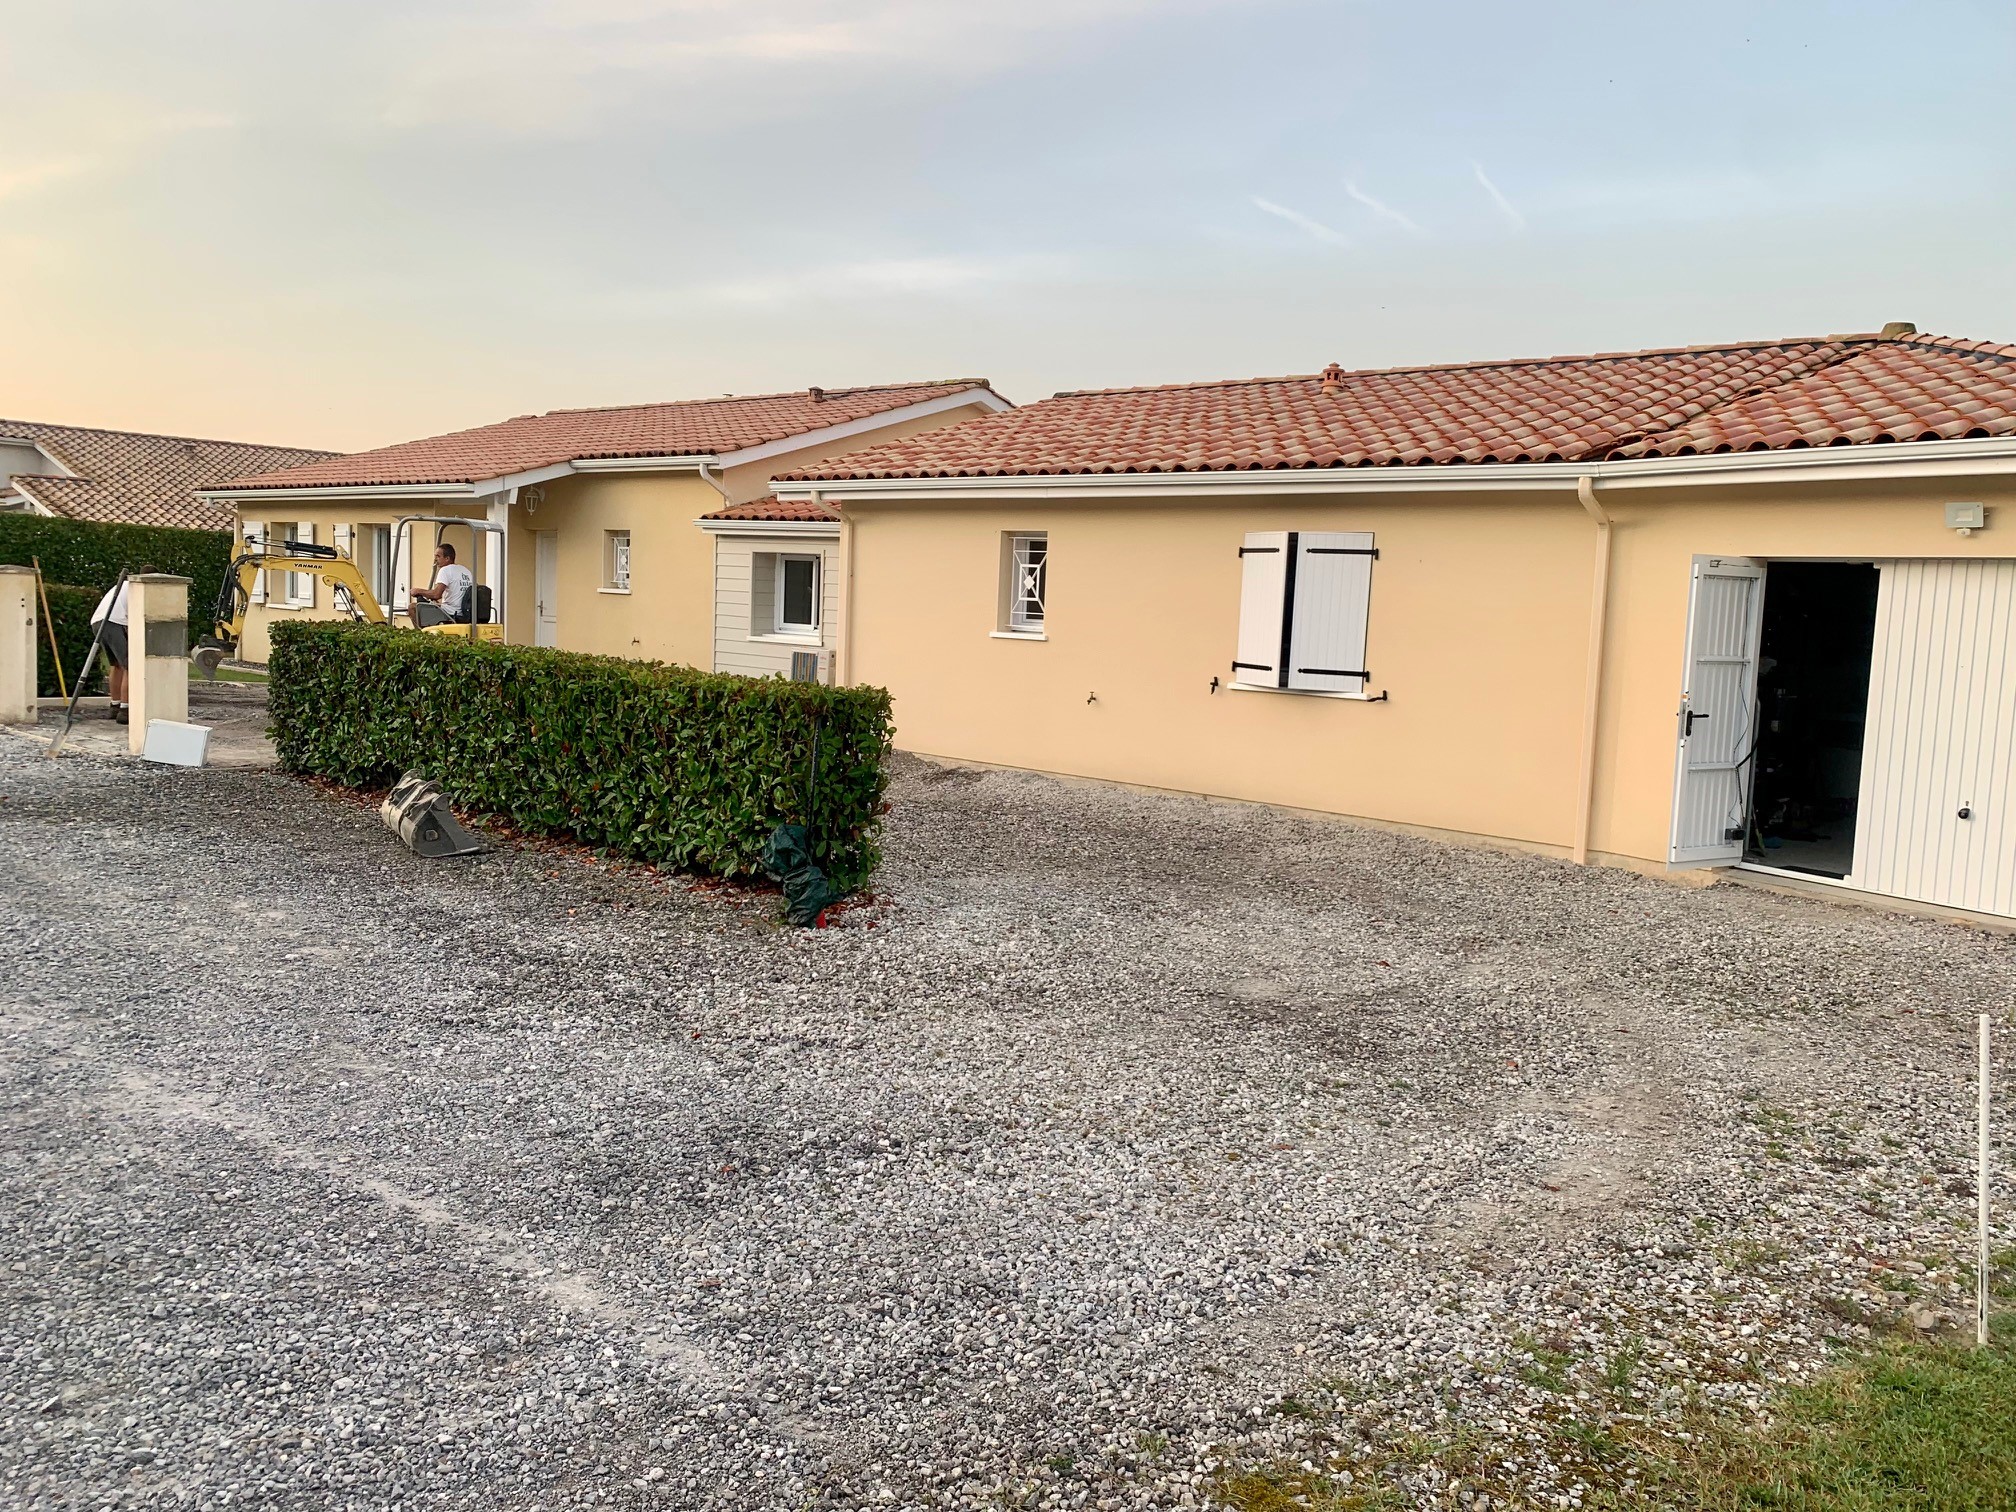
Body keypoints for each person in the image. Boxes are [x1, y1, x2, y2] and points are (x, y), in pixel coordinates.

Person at [89, 564, 156, 725]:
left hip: (98, 621)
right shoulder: (139, 587)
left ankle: (115, 705)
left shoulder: (125, 585)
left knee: (117, 665)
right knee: (130, 665)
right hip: (114, 622)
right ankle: (125, 711)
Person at [409, 542, 475, 627]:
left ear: (447, 558)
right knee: (432, 604)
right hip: (464, 612)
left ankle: (422, 634)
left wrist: (418, 591)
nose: (435, 559)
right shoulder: (465, 571)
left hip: (451, 613)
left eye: (438, 556)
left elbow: (436, 594)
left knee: (413, 607)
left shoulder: (445, 570)